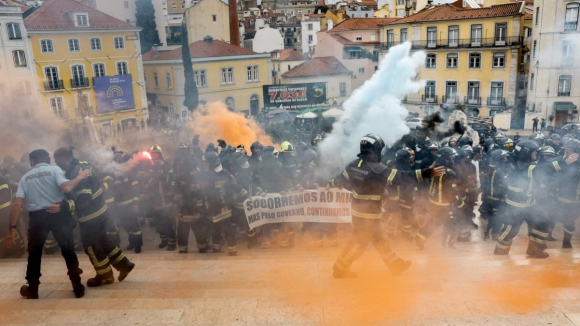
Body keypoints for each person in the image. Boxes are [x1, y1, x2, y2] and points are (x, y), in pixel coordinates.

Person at [327, 134, 444, 278]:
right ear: (375, 149)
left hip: (359, 211)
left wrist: (330, 184)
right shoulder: (378, 169)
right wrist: (427, 172)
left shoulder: (354, 164)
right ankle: (339, 269)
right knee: (359, 244)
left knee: (379, 240)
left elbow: (341, 178)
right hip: (368, 215)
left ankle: (395, 265)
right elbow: (402, 177)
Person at [4, 149, 91, 299]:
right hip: (58, 214)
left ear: (32, 161)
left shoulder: (25, 178)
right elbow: (67, 187)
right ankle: (77, 286)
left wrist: (12, 228)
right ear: (48, 159)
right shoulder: (55, 170)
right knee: (68, 251)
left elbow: (17, 204)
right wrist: (80, 177)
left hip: (37, 219)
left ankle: (32, 290)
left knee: (34, 255)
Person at [52, 147, 135, 287]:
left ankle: (104, 276)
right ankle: (124, 265)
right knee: (103, 241)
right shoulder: (84, 164)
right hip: (100, 211)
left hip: (90, 216)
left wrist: (65, 206)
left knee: (91, 246)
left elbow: (84, 200)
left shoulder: (76, 172)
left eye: (56, 161)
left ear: (62, 159)